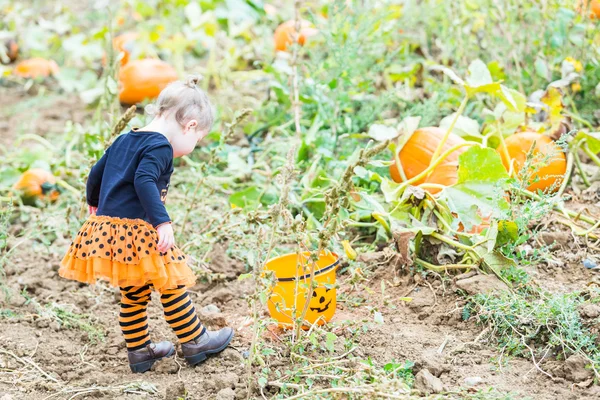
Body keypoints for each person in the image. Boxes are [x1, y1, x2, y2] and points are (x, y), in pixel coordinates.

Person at [59, 76, 233, 373]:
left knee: (134, 293)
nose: (193, 145)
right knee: (173, 283)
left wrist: (94, 202)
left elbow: (96, 172)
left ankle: (140, 352)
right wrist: (162, 222)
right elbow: (144, 180)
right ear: (189, 125)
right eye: (197, 139)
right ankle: (195, 341)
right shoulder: (160, 147)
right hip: (139, 231)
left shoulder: (126, 138)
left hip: (110, 228)